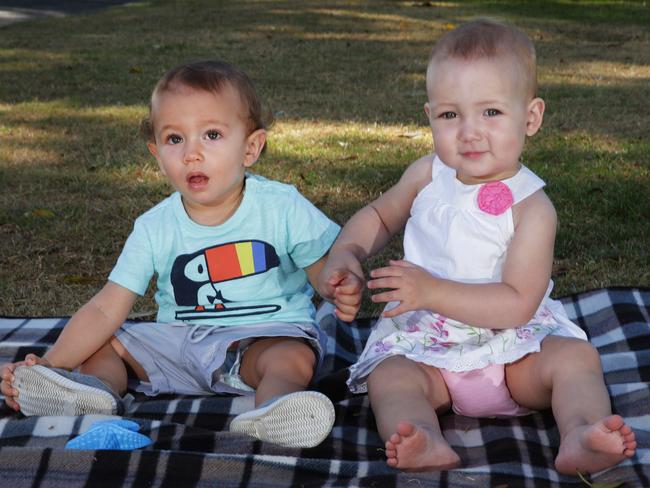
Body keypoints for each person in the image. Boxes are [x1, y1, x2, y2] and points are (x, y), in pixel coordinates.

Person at [318, 19, 636, 473]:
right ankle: (420, 436)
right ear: (430, 118)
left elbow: (518, 305)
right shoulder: (427, 176)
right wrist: (347, 253)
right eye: (451, 115)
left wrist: (431, 290)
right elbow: (378, 216)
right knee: (391, 378)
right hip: (429, 346)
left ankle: (583, 430)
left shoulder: (532, 208)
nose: (469, 131)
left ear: (531, 117)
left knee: (574, 359)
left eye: (490, 113)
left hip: (516, 352)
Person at [1, 60, 356, 449]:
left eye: (212, 135)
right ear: (156, 153)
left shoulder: (282, 206)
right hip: (180, 345)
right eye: (175, 139)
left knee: (292, 357)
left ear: (251, 148)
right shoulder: (155, 226)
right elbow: (106, 308)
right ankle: (94, 391)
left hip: (261, 340)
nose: (192, 154)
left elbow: (324, 267)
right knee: (105, 342)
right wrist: (54, 364)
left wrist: (338, 283)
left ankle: (276, 409)